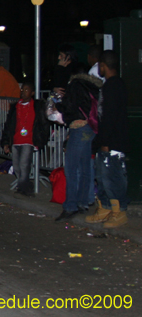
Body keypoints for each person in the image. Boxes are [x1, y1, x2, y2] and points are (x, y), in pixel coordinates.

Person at [86, 50, 130, 228]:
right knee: (103, 176)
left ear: (103, 66)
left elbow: (110, 117)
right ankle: (104, 208)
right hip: (108, 140)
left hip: (112, 142)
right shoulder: (111, 85)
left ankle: (119, 211)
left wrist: (104, 141)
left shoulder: (113, 86)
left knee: (113, 177)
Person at [54, 71, 102, 221]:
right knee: (85, 166)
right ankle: (82, 202)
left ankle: (70, 206)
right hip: (90, 128)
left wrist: (58, 106)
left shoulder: (75, 85)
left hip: (79, 127)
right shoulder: (92, 86)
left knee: (71, 169)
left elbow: (70, 106)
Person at [0, 82, 49, 196]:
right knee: (16, 166)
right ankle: (26, 186)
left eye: (26, 90)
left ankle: (23, 188)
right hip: (16, 139)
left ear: (32, 93)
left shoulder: (37, 106)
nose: (23, 92)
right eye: (22, 89)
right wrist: (6, 142)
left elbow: (44, 124)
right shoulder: (15, 106)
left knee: (24, 164)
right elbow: (8, 126)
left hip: (29, 140)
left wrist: (41, 140)